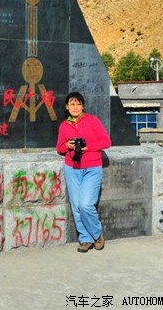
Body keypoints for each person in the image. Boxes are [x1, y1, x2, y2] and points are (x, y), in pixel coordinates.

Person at [56, 91, 111, 253]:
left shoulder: (92, 120)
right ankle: (85, 239)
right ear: (67, 106)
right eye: (72, 104)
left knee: (85, 204)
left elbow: (106, 142)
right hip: (72, 168)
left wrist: (88, 147)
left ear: (83, 106)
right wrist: (68, 145)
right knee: (76, 206)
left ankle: (97, 234)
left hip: (92, 168)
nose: (75, 107)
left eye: (78, 104)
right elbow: (59, 148)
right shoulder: (64, 125)